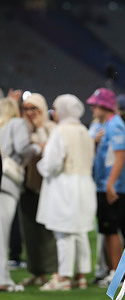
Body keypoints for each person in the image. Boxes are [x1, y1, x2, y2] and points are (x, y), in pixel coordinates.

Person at [36, 94, 97, 291]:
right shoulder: (84, 131)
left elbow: (52, 164)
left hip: (65, 186)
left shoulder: (60, 131)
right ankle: (80, 276)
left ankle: (62, 277)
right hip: (85, 185)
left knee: (64, 233)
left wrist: (41, 165)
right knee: (79, 231)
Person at [87, 87, 125, 288]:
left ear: (103, 105)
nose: (92, 108)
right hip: (108, 184)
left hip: (111, 186)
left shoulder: (114, 126)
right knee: (109, 230)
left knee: (112, 230)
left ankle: (117, 273)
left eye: (95, 105)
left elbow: (120, 155)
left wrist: (110, 183)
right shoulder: (109, 124)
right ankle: (115, 271)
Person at [0, 97, 41, 292]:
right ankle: (3, 280)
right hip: (6, 182)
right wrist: (38, 147)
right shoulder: (16, 123)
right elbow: (22, 147)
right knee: (2, 233)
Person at [18, 93, 58, 287]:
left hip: (47, 187)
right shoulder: (22, 129)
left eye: (34, 108)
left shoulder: (51, 128)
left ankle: (51, 271)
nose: (29, 113)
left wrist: (39, 135)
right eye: (26, 108)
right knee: (29, 231)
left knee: (46, 232)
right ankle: (36, 272)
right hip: (26, 186)